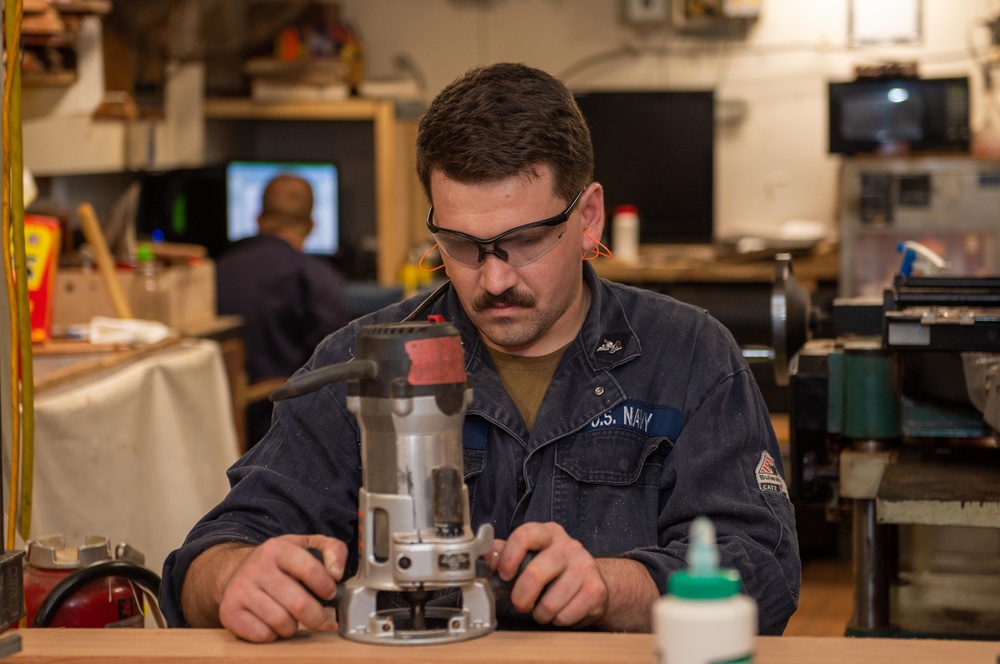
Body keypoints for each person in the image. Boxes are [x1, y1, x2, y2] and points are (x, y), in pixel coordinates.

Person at [162, 62, 800, 642]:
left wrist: (610, 587)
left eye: (523, 242)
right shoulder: (365, 359)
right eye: (461, 245)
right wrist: (237, 578)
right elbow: (207, 557)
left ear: (590, 218)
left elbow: (763, 570)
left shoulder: (689, 356)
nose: (493, 280)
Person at [215, 174, 349, 447]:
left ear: (258, 220)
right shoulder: (312, 278)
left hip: (216, 431)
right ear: (311, 226)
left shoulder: (215, 271)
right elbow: (339, 365)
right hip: (282, 435)